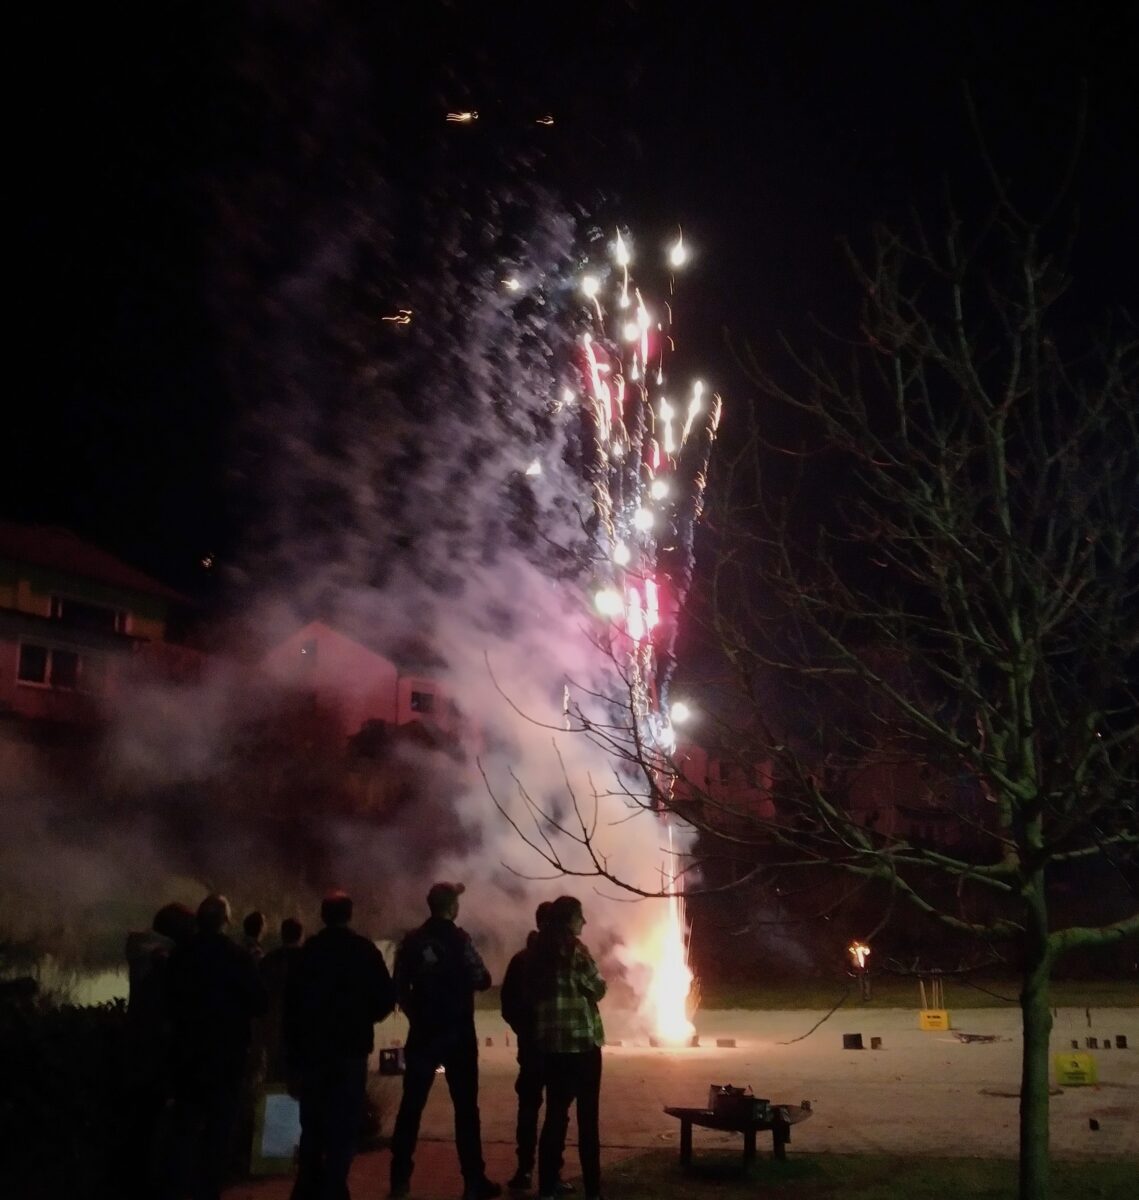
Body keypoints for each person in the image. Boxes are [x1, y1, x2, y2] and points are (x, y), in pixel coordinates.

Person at [389, 882, 500, 1200]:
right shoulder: (460, 939)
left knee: (410, 1109)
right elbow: (483, 977)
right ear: (452, 907)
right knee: (466, 1110)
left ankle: (399, 1181)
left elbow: (399, 988)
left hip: (423, 1035)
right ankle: (473, 1181)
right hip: (458, 1035)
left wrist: (415, 1014)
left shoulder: (412, 941)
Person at [285, 892, 394, 1200]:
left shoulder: (308, 953)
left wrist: (292, 1056)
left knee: (313, 1121)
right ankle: (334, 1186)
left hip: (313, 1051)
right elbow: (385, 998)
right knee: (344, 1123)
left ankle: (307, 1185)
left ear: (323, 915)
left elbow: (291, 1007)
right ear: (349, 914)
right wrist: (362, 1019)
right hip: (350, 1050)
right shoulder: (362, 950)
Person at [165, 894, 268, 1200]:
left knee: (184, 1128)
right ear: (226, 921)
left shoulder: (180, 956)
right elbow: (260, 1002)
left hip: (187, 1055)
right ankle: (207, 1191)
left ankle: (178, 1188)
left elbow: (169, 1001)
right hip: (226, 1056)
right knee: (219, 1130)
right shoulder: (238, 957)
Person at [530, 896, 606, 1200]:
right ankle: (593, 1191)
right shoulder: (576, 951)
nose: (583, 922)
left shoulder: (536, 954)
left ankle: (547, 1188)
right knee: (588, 1120)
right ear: (568, 920)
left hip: (551, 1048)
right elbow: (598, 986)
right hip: (583, 1046)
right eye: (580, 916)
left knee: (554, 1116)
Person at [120, 901, 196, 1200]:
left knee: (140, 1124)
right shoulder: (163, 958)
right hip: (156, 1052)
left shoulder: (140, 951)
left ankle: (136, 1184)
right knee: (156, 1126)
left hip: (137, 1048)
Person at [500, 902, 569, 1195]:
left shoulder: (522, 959)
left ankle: (528, 1170)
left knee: (534, 1111)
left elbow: (508, 1006)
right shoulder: (547, 960)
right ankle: (544, 1173)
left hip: (533, 1049)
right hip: (549, 1050)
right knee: (552, 1112)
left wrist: (524, 1031)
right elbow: (510, 1004)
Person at [259, 917, 304, 1083]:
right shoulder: (309, 959)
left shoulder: (269, 960)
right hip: (302, 1031)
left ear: (282, 935)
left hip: (274, 1030)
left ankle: (279, 1108)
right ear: (301, 935)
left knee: (276, 1079)